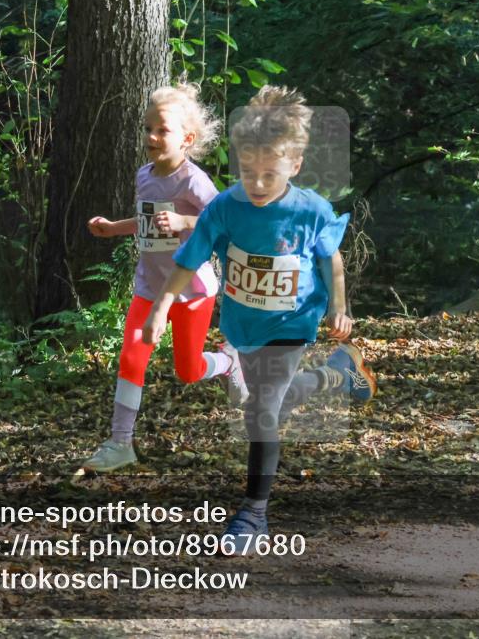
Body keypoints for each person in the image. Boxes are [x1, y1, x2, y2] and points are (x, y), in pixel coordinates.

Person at [142, 86, 377, 554]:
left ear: (295, 163)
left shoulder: (310, 210)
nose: (258, 184)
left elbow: (331, 259)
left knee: (260, 411)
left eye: (270, 174)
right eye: (248, 172)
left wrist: (339, 306)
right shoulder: (226, 208)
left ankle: (253, 513)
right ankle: (337, 373)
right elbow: (189, 260)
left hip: (291, 326)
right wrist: (162, 306)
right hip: (243, 326)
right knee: (272, 400)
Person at [80, 83, 247, 473]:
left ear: (187, 139)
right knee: (131, 358)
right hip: (149, 287)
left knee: (188, 371)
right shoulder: (144, 174)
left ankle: (227, 363)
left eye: (163, 130)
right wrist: (113, 228)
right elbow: (148, 226)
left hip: (191, 291)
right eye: (148, 128)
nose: (152, 137)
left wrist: (187, 220)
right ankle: (120, 443)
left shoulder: (193, 182)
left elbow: (227, 225)